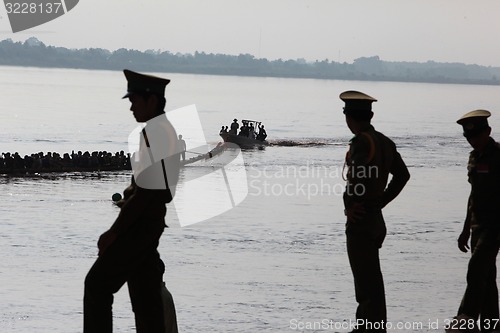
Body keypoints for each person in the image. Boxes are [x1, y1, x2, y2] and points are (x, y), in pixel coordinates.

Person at [84, 69, 180, 333]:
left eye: (134, 100)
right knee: (146, 300)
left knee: (97, 285)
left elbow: (148, 193)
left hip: (139, 227)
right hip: (149, 225)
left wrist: (114, 233)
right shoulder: (162, 130)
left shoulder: (156, 133)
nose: (131, 107)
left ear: (151, 101)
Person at [340, 90, 410, 333]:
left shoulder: (361, 142)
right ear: (369, 115)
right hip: (376, 219)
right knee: (373, 278)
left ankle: (367, 328)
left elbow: (357, 178)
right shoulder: (384, 141)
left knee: (365, 280)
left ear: (349, 117)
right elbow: (403, 175)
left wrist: (351, 205)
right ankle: (375, 326)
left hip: (362, 221)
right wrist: (382, 201)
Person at [445, 110, 500, 333]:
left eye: (476, 136)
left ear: (488, 132)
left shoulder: (498, 157)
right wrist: (465, 229)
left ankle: (466, 317)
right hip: (478, 224)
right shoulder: (474, 157)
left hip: (495, 224)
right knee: (486, 277)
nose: (473, 141)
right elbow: (474, 194)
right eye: (469, 138)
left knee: (476, 268)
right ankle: (492, 324)